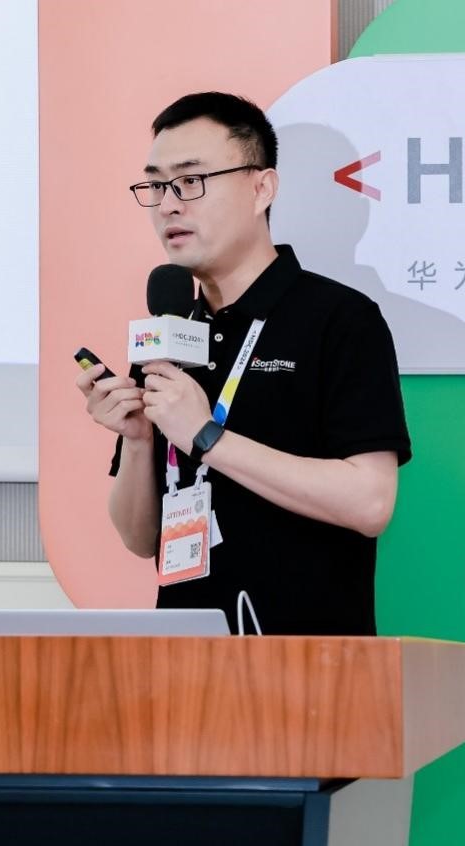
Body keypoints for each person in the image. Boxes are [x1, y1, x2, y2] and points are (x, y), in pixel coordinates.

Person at [75, 92, 410, 635]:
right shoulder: (167, 333)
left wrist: (207, 436)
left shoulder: (340, 319)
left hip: (312, 662)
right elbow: (139, 538)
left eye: (190, 181)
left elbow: (371, 503)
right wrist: (137, 441)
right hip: (185, 660)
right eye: (156, 186)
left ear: (262, 188)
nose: (168, 205)